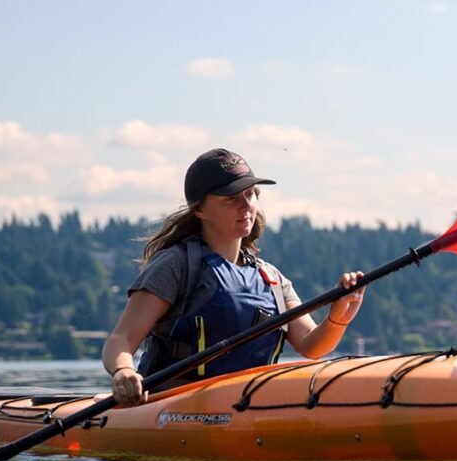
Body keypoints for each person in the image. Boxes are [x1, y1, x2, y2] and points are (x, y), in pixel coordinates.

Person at [103, 148, 365, 406]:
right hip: (176, 403)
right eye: (230, 198)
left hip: (249, 404)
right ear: (200, 210)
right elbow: (121, 339)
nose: (246, 206)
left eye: (250, 194)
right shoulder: (176, 265)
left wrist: (338, 318)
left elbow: (312, 345)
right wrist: (124, 371)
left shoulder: (270, 277)